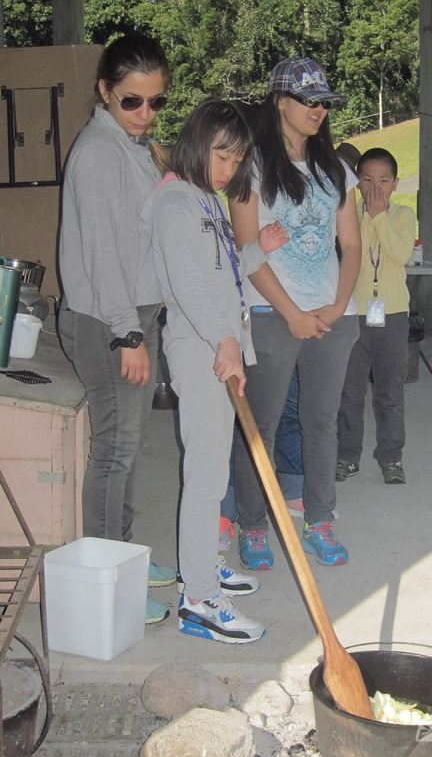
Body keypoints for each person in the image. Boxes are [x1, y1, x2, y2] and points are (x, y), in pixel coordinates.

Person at [149, 99, 288, 642]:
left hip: (220, 346)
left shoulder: (203, 199)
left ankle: (202, 564)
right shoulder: (175, 203)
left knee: (214, 472)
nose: (228, 170)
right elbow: (187, 283)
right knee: (206, 476)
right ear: (196, 142)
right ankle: (199, 600)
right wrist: (225, 339)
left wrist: (255, 250)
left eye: (236, 160)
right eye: (221, 156)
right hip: (201, 347)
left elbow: (223, 268)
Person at [57, 34, 176, 626]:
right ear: (104, 91)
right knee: (113, 450)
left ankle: (123, 556)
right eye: (133, 101)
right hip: (108, 320)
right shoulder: (100, 152)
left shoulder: (133, 144)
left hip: (136, 314)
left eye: (156, 102)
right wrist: (128, 336)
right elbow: (103, 256)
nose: (146, 114)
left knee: (129, 448)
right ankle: (107, 582)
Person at [229, 57, 361, 570]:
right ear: (279, 102)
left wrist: (333, 305)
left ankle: (320, 520)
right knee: (258, 425)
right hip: (270, 315)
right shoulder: (251, 168)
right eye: (307, 100)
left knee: (321, 423)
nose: (317, 110)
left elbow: (350, 245)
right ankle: (254, 525)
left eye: (323, 102)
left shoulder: (337, 170)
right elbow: (247, 252)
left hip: (332, 316)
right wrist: (292, 314)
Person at [336, 148, 416, 485]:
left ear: (396, 183)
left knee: (390, 392)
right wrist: (366, 216)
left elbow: (400, 254)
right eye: (367, 180)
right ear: (357, 182)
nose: (375, 187)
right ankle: (347, 456)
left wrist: (380, 216)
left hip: (393, 315)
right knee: (349, 392)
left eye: (383, 180)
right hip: (354, 314)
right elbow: (348, 252)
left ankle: (391, 457)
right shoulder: (347, 215)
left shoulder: (404, 215)